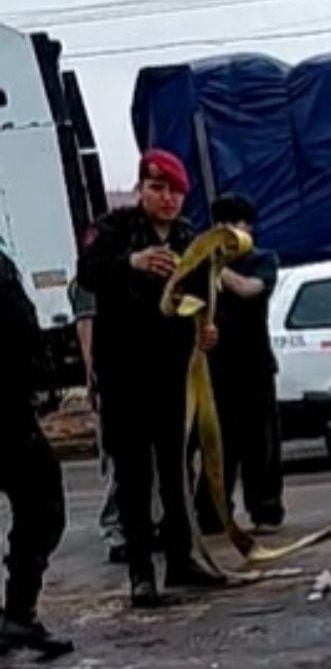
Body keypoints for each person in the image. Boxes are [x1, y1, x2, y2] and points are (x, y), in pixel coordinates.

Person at [77, 148, 225, 608]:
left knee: (177, 471)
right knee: (134, 477)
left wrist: (208, 329)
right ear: (141, 189)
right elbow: (87, 275)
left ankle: (181, 560)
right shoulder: (113, 229)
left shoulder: (188, 238)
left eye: (174, 191)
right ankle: (142, 574)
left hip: (172, 374)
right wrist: (132, 263)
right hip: (124, 373)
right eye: (157, 189)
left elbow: (203, 295)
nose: (166, 199)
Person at [195, 195, 286, 535]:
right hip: (216, 367)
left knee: (260, 443)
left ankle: (265, 510)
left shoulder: (262, 260)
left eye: (234, 223)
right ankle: (213, 512)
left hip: (255, 365)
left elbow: (250, 290)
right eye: (220, 224)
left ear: (249, 227)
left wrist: (217, 267)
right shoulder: (203, 263)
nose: (226, 231)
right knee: (218, 443)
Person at [0, 243, 73, 657]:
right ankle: (17, 616)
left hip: (12, 408)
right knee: (42, 505)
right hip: (6, 413)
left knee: (42, 508)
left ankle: (17, 614)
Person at [68, 277, 128, 564]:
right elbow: (86, 328)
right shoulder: (91, 280)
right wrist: (94, 379)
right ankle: (116, 529)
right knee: (118, 457)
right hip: (113, 379)